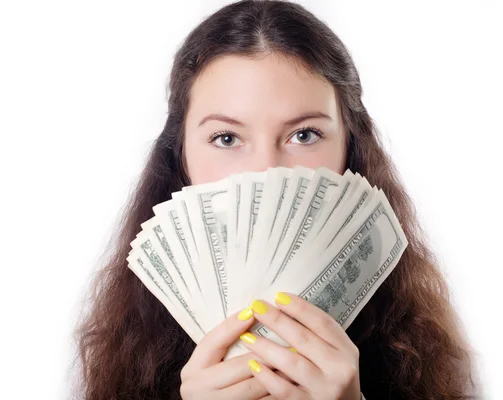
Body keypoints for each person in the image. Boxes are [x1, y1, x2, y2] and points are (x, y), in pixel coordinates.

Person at [73, 1, 480, 398]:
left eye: (304, 135)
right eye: (226, 138)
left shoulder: (417, 344)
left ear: (350, 150)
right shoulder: (128, 348)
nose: (266, 172)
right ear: (179, 156)